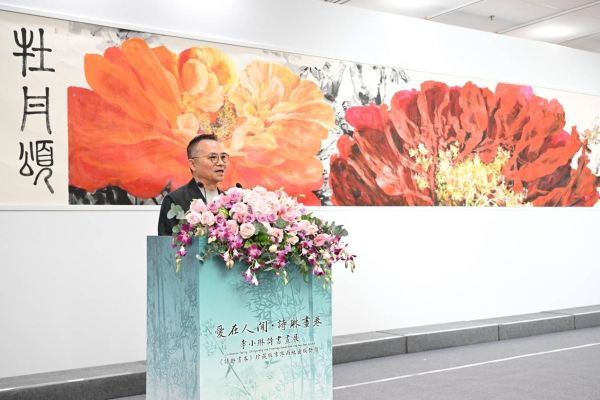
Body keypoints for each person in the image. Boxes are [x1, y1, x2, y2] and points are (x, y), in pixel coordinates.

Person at [158, 134, 229, 235]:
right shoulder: (175, 200)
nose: (221, 163)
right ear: (193, 164)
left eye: (223, 157)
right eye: (213, 157)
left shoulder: (230, 202)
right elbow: (166, 242)